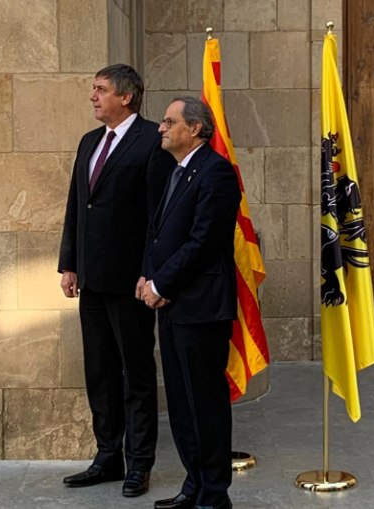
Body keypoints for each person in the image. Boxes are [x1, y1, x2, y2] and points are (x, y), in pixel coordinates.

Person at [58, 63, 176, 498]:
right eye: (94, 89)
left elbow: (156, 216)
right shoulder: (89, 141)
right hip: (91, 279)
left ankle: (138, 463)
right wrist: (69, 264)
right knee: (100, 371)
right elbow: (77, 205)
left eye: (101, 89)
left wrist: (150, 271)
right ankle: (107, 457)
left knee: (135, 374)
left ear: (126, 96)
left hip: (130, 282)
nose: (93, 96)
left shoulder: (151, 141)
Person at [141, 97, 241, 509]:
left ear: (195, 129)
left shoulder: (216, 172)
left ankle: (214, 495)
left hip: (201, 307)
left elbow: (203, 243)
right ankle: (193, 485)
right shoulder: (177, 171)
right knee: (182, 404)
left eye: (169, 122)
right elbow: (159, 233)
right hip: (173, 304)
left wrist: (162, 282)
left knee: (205, 404)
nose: (161, 128)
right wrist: (148, 275)